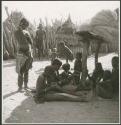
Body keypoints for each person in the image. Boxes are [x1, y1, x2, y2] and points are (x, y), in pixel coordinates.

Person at [14, 18, 33, 91]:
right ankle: (23, 86)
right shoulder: (22, 32)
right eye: (26, 25)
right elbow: (31, 42)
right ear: (24, 25)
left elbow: (30, 42)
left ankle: (22, 86)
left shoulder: (19, 32)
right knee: (23, 69)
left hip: (24, 52)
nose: (26, 27)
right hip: (24, 52)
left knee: (23, 69)